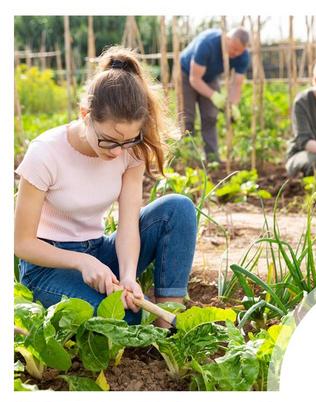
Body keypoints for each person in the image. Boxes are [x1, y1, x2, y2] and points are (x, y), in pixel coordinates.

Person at [15, 47, 196, 327]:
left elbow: (127, 226)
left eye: (128, 141)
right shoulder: (45, 153)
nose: (117, 152)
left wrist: (127, 275)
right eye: (109, 140)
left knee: (178, 208)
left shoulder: (130, 151)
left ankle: (167, 327)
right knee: (124, 317)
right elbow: (21, 243)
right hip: (49, 267)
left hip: (100, 251)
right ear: (86, 114)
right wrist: (80, 262)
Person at [180, 27, 250, 161]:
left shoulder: (243, 56)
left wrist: (232, 105)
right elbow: (194, 79)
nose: (235, 53)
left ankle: (213, 160)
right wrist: (214, 96)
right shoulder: (207, 44)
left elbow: (237, 84)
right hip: (187, 73)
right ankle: (188, 158)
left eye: (239, 51)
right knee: (187, 118)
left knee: (210, 117)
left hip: (210, 77)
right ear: (227, 39)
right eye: (233, 49)